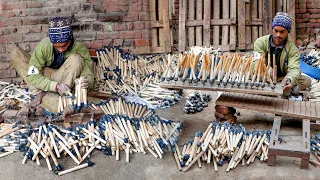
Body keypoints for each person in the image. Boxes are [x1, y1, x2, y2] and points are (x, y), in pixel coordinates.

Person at [10, 16, 94, 115]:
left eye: (64, 45)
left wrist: (86, 82)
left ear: (70, 39)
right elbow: (33, 75)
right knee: (15, 53)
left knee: (76, 59)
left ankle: (59, 96)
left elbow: (88, 74)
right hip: (44, 76)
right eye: (57, 47)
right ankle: (40, 93)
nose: (61, 50)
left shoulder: (80, 49)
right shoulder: (44, 45)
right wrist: (55, 86)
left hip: (64, 80)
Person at [253, 12, 311, 96]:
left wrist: (289, 79)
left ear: (288, 31)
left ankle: (282, 87)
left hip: (282, 78)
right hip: (264, 75)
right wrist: (266, 71)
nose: (278, 35)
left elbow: (294, 68)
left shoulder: (292, 49)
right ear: (272, 29)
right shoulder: (260, 42)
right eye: (275, 31)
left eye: (282, 32)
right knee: (252, 75)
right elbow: (256, 63)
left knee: (306, 81)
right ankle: (281, 89)